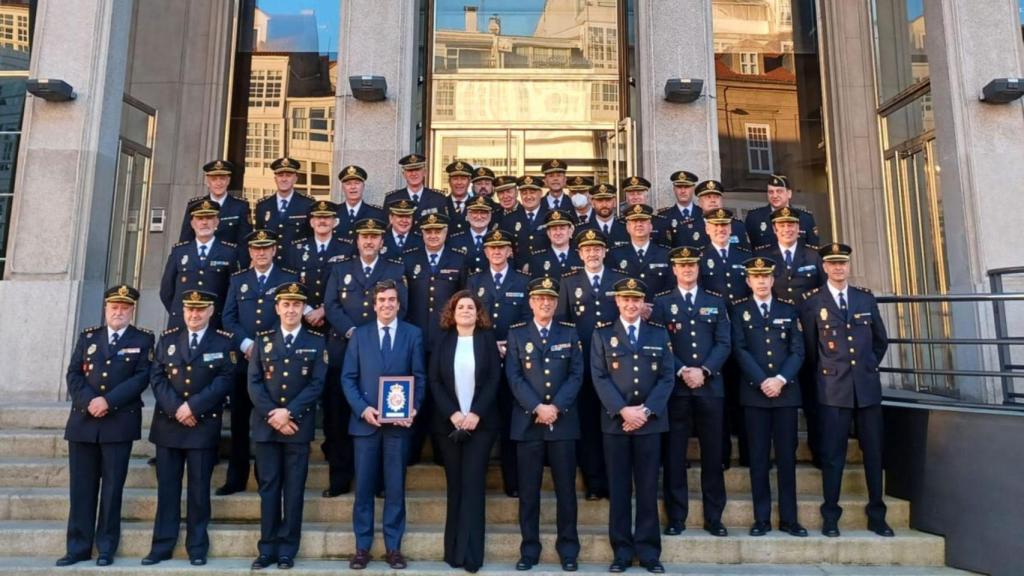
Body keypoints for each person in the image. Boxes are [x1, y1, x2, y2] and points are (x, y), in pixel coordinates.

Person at [58, 285, 154, 567]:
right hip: (83, 422)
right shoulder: (89, 337)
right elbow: (73, 373)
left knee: (112, 490)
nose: (118, 312)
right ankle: (77, 548)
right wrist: (90, 401)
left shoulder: (144, 339)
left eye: (124, 308)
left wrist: (108, 402)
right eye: (114, 307)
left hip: (118, 423)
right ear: (106, 308)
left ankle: (106, 548)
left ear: (132, 311)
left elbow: (141, 378)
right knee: (81, 490)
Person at [800, 243, 892, 538]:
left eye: (843, 264)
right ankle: (831, 514)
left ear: (848, 267)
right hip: (833, 389)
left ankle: (877, 513)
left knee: (874, 453)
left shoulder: (864, 299)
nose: (838, 268)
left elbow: (880, 341)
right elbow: (811, 349)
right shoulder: (813, 301)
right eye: (833, 264)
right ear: (824, 267)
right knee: (832, 454)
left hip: (866, 389)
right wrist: (832, 374)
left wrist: (865, 367)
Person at [143, 290, 235, 566]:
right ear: (183, 311)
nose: (194, 315)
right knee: (167, 490)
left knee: (198, 490)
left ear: (210, 311)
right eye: (189, 310)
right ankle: (161, 546)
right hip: (169, 426)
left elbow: (224, 379)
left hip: (202, 425)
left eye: (200, 310)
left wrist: (193, 407)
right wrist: (176, 409)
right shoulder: (168, 339)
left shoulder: (223, 341)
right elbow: (157, 377)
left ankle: (197, 546)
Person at [591, 278, 674, 574]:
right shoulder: (602, 335)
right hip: (617, 424)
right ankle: (622, 552)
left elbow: (667, 377)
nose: (630, 304)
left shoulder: (658, 333)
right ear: (617, 302)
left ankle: (649, 552)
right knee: (620, 489)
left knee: (649, 489)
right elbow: (599, 377)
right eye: (625, 299)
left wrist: (646, 411)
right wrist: (624, 411)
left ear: (643, 303)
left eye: (636, 300)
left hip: (650, 424)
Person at [342, 280, 426, 570]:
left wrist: (412, 408)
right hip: (365, 424)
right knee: (364, 489)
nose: (387, 304)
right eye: (382, 300)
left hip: (398, 427)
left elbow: (419, 377)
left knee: (395, 488)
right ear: (374, 304)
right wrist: (363, 409)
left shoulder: (412, 334)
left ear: (398, 304)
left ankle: (393, 547)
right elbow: (348, 378)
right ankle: (362, 548)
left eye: (392, 300)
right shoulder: (360, 335)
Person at [651, 246, 732, 537]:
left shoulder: (715, 301)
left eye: (692, 266)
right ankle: (676, 516)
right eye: (682, 266)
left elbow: (724, 342)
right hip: (676, 390)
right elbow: (660, 343)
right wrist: (684, 370)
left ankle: (714, 516)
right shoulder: (662, 303)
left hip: (710, 387)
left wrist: (704, 370)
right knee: (674, 456)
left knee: (713, 456)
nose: (687, 270)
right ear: (674, 269)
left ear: (698, 269)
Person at [247, 282, 326, 570]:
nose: (291, 309)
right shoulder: (263, 340)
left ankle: (287, 549)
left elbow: (317, 383)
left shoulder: (316, 342)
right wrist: (274, 415)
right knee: (268, 489)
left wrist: (289, 413)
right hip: (267, 428)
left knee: (293, 490)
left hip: (297, 427)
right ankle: (266, 548)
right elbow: (254, 383)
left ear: (302, 308)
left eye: (296, 305)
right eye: (286, 304)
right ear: (277, 308)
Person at [506, 277, 584, 572]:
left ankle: (568, 550)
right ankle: (529, 549)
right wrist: (538, 407)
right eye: (540, 298)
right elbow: (513, 378)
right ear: (531, 302)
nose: (545, 303)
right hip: (528, 423)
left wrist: (555, 408)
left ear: (556, 302)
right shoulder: (517, 334)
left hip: (562, 423)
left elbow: (577, 375)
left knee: (566, 492)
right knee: (528, 492)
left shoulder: (569, 332)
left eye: (550, 299)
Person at [731, 257, 808, 538]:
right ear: (748, 281)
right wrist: (763, 380)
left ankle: (790, 519)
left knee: (787, 459)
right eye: (756, 277)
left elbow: (797, 350)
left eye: (766, 277)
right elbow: (739, 350)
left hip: (785, 394)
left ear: (772, 280)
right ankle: (761, 518)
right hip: (755, 394)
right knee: (759, 458)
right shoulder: (740, 311)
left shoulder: (789, 310)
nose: (761, 282)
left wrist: (780, 379)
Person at [218, 229, 299, 495]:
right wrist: (246, 344)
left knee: (271, 418)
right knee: (240, 422)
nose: (261, 252)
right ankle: (236, 478)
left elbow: (289, 317)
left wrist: (264, 347)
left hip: (276, 363)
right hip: (243, 360)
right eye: (256, 248)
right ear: (250, 252)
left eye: (266, 248)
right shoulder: (239, 279)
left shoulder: (287, 278)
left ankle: (268, 477)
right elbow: (228, 317)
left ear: (274, 250)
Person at [429, 291, 501, 573]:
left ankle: (472, 555)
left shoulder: (486, 340)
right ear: (453, 311)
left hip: (480, 426)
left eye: (471, 307)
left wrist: (475, 414)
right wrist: (454, 413)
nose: (466, 311)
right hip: (449, 425)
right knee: (455, 486)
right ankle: (453, 552)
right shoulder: (443, 340)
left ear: (478, 312)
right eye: (461, 307)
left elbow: (495, 378)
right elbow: (434, 380)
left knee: (473, 486)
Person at [556, 229, 627, 501]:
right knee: (587, 425)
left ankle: (615, 481)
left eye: (597, 248)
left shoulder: (619, 280)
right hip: (583, 366)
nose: (593, 253)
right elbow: (563, 324)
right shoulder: (568, 282)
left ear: (605, 251)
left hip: (615, 366)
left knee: (614, 423)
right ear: (580, 253)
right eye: (587, 249)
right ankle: (594, 482)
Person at [465, 229, 532, 497]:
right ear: (485, 251)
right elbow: (468, 315)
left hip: (514, 358)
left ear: (509, 251)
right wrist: (489, 343)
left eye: (501, 247)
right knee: (480, 419)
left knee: (510, 422)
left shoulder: (523, 280)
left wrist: (510, 345)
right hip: (482, 358)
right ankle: (475, 480)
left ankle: (512, 482)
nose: (496, 251)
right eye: (491, 247)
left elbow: (528, 317)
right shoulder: (474, 281)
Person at [403, 212, 467, 464]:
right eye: (428, 231)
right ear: (422, 234)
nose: (433, 235)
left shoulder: (458, 259)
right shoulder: (410, 259)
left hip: (446, 341)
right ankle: (412, 451)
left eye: (437, 231)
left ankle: (443, 452)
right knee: (416, 393)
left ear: (445, 233)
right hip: (415, 340)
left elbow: (463, 300)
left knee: (444, 395)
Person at [160, 198, 239, 330]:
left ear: (216, 222)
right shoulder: (179, 251)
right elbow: (166, 290)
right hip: (182, 324)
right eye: (200, 218)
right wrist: (182, 313)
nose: (204, 222)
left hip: (215, 323)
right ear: (192, 223)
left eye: (209, 218)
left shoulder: (229, 252)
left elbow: (233, 291)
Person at [178, 159, 253, 251]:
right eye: (214, 179)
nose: (219, 183)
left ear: (228, 181)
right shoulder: (195, 205)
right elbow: (186, 239)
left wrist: (240, 265)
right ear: (207, 182)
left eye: (222, 179)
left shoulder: (241, 206)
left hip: (229, 262)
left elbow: (244, 244)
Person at [607, 204, 671, 302]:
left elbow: (670, 287)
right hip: (629, 312)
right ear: (627, 227)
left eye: (643, 221)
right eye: (634, 221)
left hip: (658, 312)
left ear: (650, 226)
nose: (639, 224)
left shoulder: (665, 254)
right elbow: (611, 288)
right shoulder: (615, 254)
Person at [254, 157, 315, 254]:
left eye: (288, 175)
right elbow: (259, 238)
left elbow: (312, 238)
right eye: (280, 175)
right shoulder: (262, 206)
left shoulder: (307, 204)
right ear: (275, 179)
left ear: (295, 179)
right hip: (272, 263)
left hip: (297, 262)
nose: (284, 179)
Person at [744, 174, 820, 247]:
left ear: (789, 194)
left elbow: (813, 251)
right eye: (771, 192)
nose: (775, 195)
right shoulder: (754, 217)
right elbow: (748, 250)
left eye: (779, 191)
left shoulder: (805, 218)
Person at [500, 175, 550, 269]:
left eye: (532, 192)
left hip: (545, 269)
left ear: (541, 193)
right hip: (518, 271)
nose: (528, 196)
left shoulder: (550, 217)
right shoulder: (509, 219)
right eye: (524, 193)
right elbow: (506, 251)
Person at [384, 153, 448, 226]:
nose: (414, 174)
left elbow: (444, 227)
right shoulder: (392, 199)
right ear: (403, 174)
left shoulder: (438, 199)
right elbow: (387, 228)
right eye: (410, 170)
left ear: (424, 172)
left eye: (417, 169)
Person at [525, 209, 582, 279]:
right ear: (548, 233)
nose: (558, 233)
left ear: (570, 232)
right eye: (554, 229)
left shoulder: (582, 257)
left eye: (562, 228)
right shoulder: (537, 259)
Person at [447, 195, 496, 275]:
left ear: (490, 215)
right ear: (468, 215)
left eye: (483, 212)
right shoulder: (454, 241)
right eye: (475, 212)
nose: (479, 217)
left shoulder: (498, 241)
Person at [335, 165, 386, 241]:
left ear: (363, 186)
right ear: (343, 188)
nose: (353, 187)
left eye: (357, 183)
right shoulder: (334, 213)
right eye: (348, 183)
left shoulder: (377, 214)